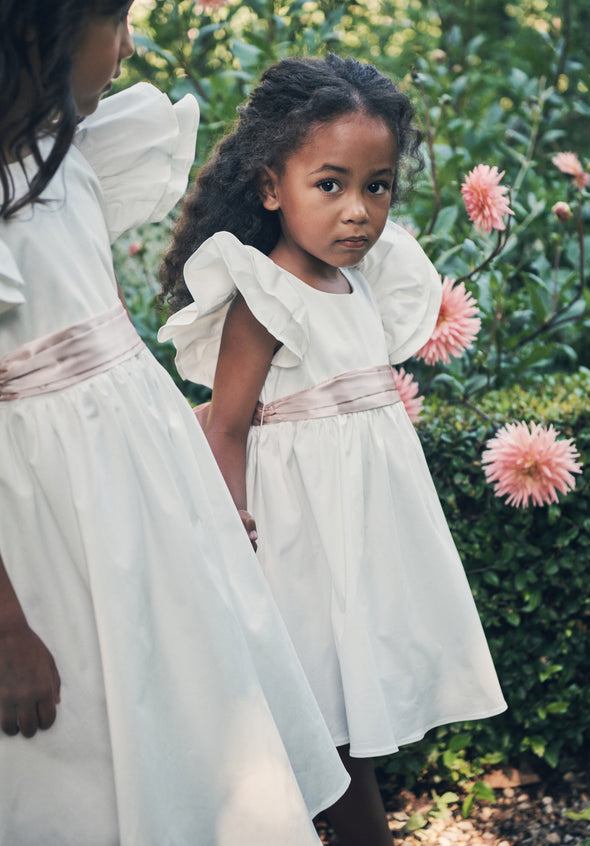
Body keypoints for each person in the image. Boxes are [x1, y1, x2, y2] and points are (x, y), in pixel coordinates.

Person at [0, 5, 352, 845]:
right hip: (46, 535)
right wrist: (7, 627)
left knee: (202, 724)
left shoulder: (63, 154)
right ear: (39, 30)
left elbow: (117, 377)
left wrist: (189, 504)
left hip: (145, 517)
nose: (128, 45)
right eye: (113, 19)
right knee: (89, 757)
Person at [158, 54, 508, 846]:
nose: (358, 210)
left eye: (376, 185)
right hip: (297, 540)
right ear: (272, 186)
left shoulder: (364, 284)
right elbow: (227, 424)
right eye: (331, 184)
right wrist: (233, 527)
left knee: (351, 708)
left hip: (359, 536)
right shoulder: (266, 292)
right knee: (324, 723)